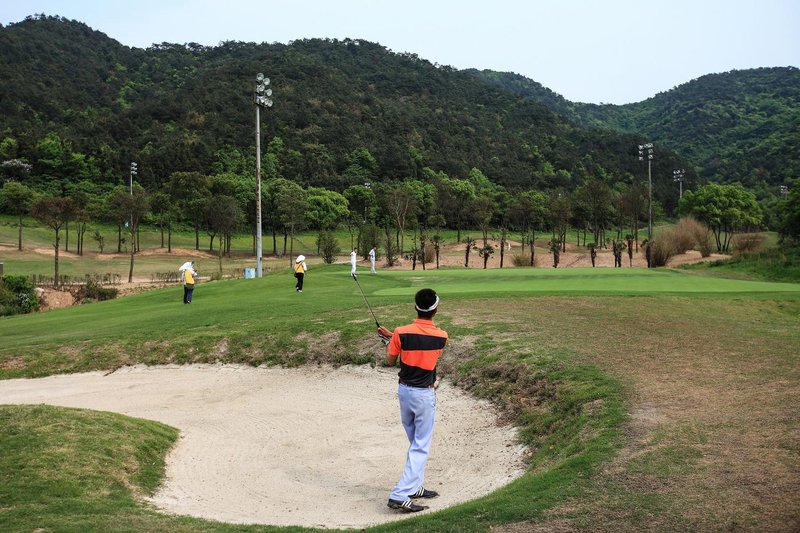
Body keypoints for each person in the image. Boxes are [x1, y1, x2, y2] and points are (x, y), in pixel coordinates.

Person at [377, 288, 448, 513]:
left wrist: (391, 340)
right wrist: (393, 339)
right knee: (420, 444)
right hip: (424, 394)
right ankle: (400, 494)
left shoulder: (400, 333)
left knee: (415, 441)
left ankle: (415, 486)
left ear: (415, 307)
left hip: (405, 393)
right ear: (435, 310)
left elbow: (391, 360)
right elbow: (422, 346)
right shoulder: (442, 337)